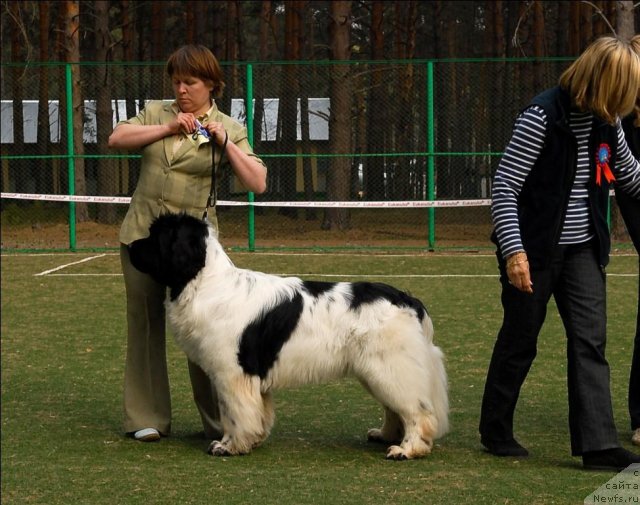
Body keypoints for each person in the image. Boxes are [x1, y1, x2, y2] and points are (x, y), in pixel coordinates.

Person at [479, 35, 640, 471]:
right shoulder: (541, 116)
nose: (623, 105)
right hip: (533, 248)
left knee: (591, 341)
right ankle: (495, 429)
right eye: (620, 93)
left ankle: (599, 445)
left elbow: (628, 174)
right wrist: (514, 253)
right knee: (521, 338)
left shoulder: (608, 121)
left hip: (585, 248)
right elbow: (505, 187)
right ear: (600, 80)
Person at [108, 45, 267, 442]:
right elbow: (117, 137)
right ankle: (147, 417)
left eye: (190, 82)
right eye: (176, 81)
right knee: (144, 326)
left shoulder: (229, 125)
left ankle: (222, 421)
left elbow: (258, 182)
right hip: (143, 239)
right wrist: (167, 128)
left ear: (211, 84)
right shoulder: (156, 113)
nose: (181, 90)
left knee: (209, 331)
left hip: (194, 254)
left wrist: (226, 143)